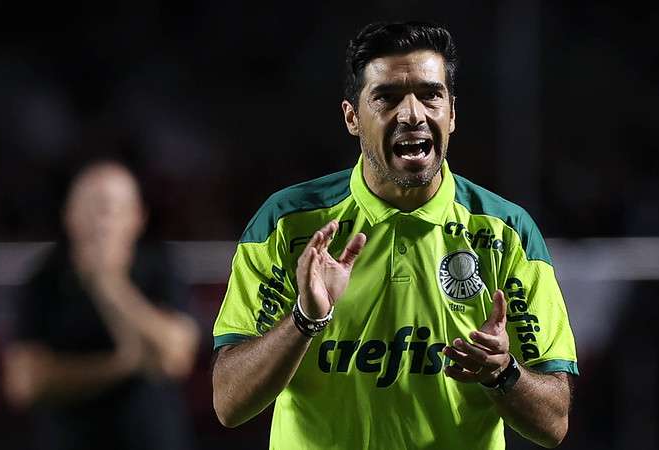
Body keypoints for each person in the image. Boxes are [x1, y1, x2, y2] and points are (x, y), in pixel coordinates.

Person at [212, 21, 578, 449]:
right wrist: (305, 320)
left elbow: (555, 423)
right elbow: (229, 402)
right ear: (353, 117)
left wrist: (503, 372)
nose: (412, 114)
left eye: (430, 95)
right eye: (386, 98)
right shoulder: (288, 223)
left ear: (452, 113)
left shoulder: (506, 232)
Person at [3, 160, 200, 450]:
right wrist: (117, 366)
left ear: (138, 217)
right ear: (69, 215)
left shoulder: (160, 267)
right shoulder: (43, 280)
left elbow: (176, 357)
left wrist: (111, 286)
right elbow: (24, 384)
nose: (103, 219)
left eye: (115, 208)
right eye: (93, 206)